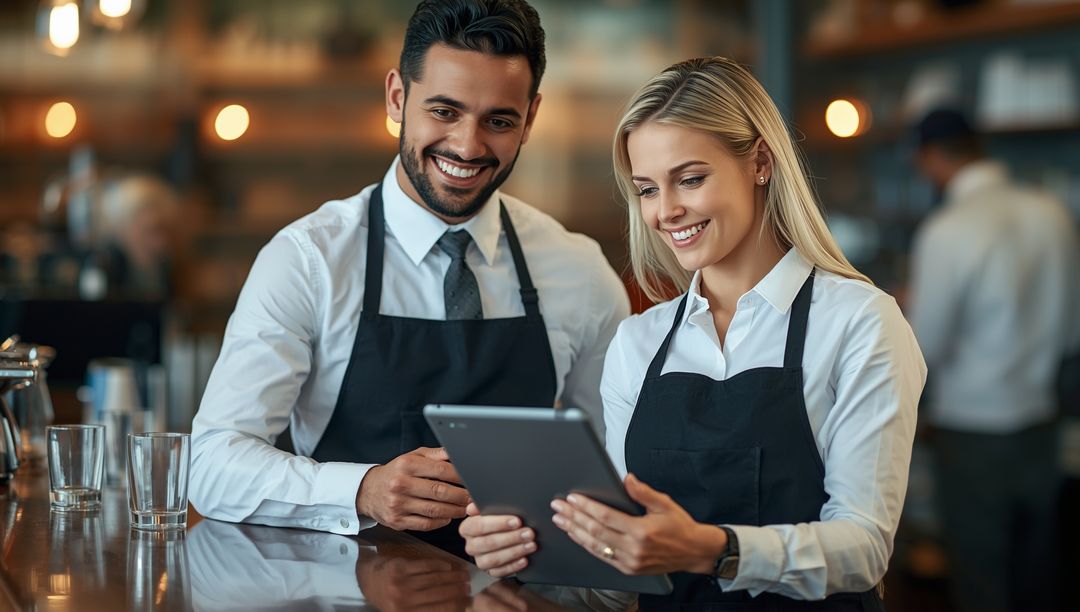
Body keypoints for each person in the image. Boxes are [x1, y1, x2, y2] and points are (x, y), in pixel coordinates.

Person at [460, 56, 927, 610]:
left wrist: (712, 549)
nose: (666, 212)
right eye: (647, 190)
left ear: (760, 162)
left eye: (690, 179)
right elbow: (614, 588)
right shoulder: (638, 343)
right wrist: (525, 558)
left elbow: (864, 549)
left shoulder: (859, 322)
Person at [189, 0, 629, 559]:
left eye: (498, 120)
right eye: (444, 111)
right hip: (342, 591)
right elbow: (211, 464)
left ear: (531, 118)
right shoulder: (309, 260)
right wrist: (362, 489)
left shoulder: (578, 270)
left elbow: (619, 463)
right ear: (397, 97)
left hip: (519, 596)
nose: (468, 147)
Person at [907, 107, 1079, 612]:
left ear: (931, 159)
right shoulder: (1051, 212)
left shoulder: (948, 229)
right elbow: (1072, 330)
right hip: (1041, 419)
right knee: (1040, 572)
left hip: (973, 429)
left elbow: (925, 347)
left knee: (980, 575)